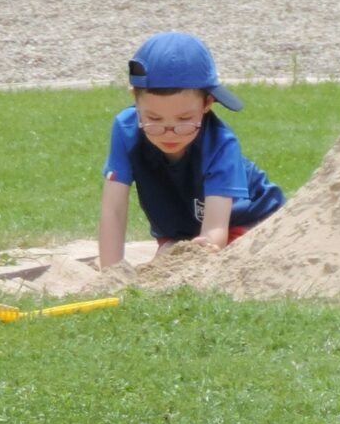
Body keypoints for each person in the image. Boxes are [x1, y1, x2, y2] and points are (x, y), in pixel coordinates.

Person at [97, 32, 284, 268]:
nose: (169, 132)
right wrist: (110, 273)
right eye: (154, 119)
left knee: (217, 262)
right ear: (135, 99)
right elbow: (113, 210)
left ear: (207, 103)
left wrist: (204, 252)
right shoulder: (126, 129)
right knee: (167, 258)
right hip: (181, 227)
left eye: (184, 119)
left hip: (248, 221)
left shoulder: (221, 144)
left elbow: (215, 232)